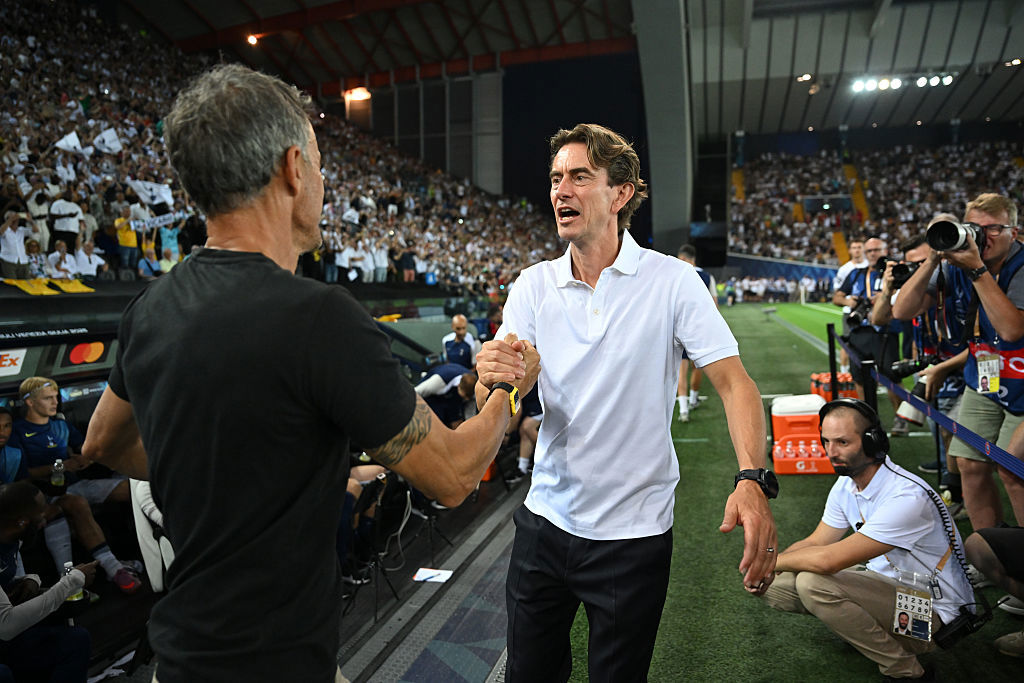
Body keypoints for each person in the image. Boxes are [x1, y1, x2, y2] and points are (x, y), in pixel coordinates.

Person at [81, 64, 539, 683]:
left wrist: (220, 465)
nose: (322, 181)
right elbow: (455, 477)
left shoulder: (151, 309)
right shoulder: (320, 319)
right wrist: (508, 394)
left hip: (180, 659)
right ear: (294, 169)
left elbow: (102, 443)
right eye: (320, 165)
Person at [475, 123, 777, 682]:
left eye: (579, 177)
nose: (560, 191)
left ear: (621, 193)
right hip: (544, 523)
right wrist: (490, 378)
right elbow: (498, 393)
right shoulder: (533, 286)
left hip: (633, 536)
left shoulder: (673, 283)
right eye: (555, 178)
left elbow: (735, 383)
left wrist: (752, 480)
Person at [757, 398, 974, 680]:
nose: (830, 452)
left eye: (842, 443)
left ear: (873, 442)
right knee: (779, 585)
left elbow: (827, 560)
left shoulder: (906, 497)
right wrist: (770, 569)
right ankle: (863, 629)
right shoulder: (846, 484)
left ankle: (906, 671)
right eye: (826, 441)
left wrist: (768, 562)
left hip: (936, 617)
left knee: (814, 582)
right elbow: (817, 542)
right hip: (892, 587)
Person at [892, 194, 1024, 532]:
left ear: (1015, 231)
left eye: (993, 229)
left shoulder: (1019, 267)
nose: (984, 237)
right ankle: (992, 552)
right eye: (975, 229)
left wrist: (978, 270)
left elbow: (1011, 330)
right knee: (968, 462)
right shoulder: (955, 266)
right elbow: (902, 310)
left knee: (1012, 471)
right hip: (986, 379)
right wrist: (934, 258)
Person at [0, 481, 96, 683]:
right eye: (41, 512)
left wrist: (30, 579)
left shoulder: (12, 538)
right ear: (21, 521)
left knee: (76, 640)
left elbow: (12, 576)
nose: (47, 514)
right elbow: (6, 626)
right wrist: (72, 580)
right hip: (4, 634)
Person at [834, 236, 907, 434]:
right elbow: (837, 296)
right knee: (860, 378)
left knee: (891, 376)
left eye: (876, 250)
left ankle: (901, 418)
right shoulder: (857, 274)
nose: (873, 254)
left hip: (885, 331)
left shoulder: (896, 273)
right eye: (869, 251)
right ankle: (868, 420)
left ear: (885, 250)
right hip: (860, 331)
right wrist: (850, 303)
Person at [675, 243, 716, 422]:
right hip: (700, 329)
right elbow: (714, 306)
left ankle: (683, 409)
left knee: (681, 371)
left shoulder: (674, 274)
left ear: (683, 258)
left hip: (677, 328)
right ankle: (693, 399)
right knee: (697, 366)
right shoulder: (707, 277)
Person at [833, 238, 867, 374]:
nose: (857, 250)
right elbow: (837, 293)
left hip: (868, 312)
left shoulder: (871, 266)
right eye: (854, 247)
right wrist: (848, 302)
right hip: (850, 312)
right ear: (850, 250)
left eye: (859, 247)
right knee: (847, 343)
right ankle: (844, 373)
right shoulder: (845, 269)